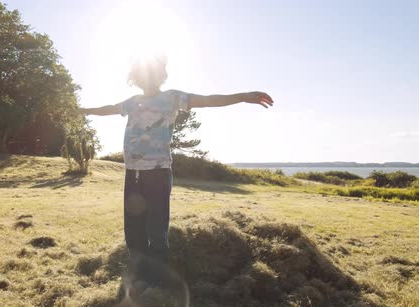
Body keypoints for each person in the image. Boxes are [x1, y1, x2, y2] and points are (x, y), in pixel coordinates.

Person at [79, 54, 273, 288]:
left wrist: (243, 97)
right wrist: (85, 111)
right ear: (136, 79)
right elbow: (109, 108)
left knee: (156, 229)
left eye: (151, 74)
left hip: (158, 172)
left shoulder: (172, 98)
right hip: (133, 172)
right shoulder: (133, 101)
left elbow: (209, 100)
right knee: (134, 228)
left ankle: (156, 281)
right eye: (141, 75)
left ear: (160, 76)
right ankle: (139, 275)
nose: (146, 78)